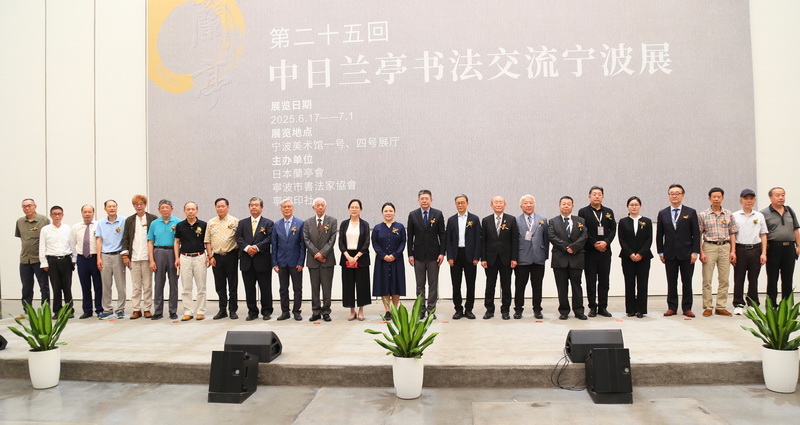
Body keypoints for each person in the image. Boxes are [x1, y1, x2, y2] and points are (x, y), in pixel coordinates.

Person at [656, 184, 701, 317]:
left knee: (687, 282)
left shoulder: (690, 212)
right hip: (669, 254)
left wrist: (695, 252)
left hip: (687, 254)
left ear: (682, 195)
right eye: (672, 193)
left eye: (677, 193)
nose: (674, 196)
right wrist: (661, 252)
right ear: (669, 196)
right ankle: (672, 307)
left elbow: (696, 234)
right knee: (671, 281)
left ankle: (687, 307)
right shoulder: (663, 213)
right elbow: (659, 235)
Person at [698, 187, 738, 317]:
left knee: (724, 279)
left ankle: (721, 306)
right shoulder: (703, 215)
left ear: (722, 198)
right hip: (709, 247)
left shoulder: (728, 214)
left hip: (725, 247)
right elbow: (698, 234)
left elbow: (732, 233)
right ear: (709, 198)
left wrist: (733, 251)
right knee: (707, 279)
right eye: (714, 197)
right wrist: (701, 252)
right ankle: (708, 306)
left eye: (719, 197)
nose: (716, 199)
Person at [406, 190, 446, 319]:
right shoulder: (413, 215)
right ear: (418, 200)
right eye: (422, 198)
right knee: (420, 285)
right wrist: (410, 254)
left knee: (433, 284)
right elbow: (410, 236)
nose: (424, 201)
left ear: (431, 200)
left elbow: (442, 235)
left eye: (426, 198)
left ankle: (431, 310)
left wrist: (442, 253)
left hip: (434, 255)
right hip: (418, 255)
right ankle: (421, 310)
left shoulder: (438, 214)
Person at [547, 196, 588, 320]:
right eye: (563, 204)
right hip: (560, 259)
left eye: (568, 204)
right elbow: (551, 236)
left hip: (576, 258)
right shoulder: (553, 221)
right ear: (559, 206)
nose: (566, 206)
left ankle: (579, 311)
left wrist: (574, 247)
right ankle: (564, 311)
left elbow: (584, 236)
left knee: (577, 286)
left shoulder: (580, 220)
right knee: (562, 287)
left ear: (572, 206)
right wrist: (566, 247)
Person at [578, 186, 616, 317]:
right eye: (594, 194)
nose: (597, 196)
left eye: (599, 194)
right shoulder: (583, 212)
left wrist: (606, 242)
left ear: (603, 197)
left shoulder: (608, 212)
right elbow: (583, 230)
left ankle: (603, 307)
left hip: (605, 251)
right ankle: (592, 307)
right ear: (589, 196)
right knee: (591, 280)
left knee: (604, 280)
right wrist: (594, 243)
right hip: (590, 251)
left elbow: (613, 229)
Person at [235, 197, 274, 321]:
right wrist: (247, 248)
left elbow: (269, 239)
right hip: (247, 261)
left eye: (257, 205)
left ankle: (266, 311)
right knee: (249, 288)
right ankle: (252, 312)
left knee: (265, 288)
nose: (254, 207)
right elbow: (238, 238)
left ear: (261, 207)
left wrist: (257, 247)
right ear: (249, 207)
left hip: (262, 260)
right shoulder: (242, 223)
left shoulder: (268, 223)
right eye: (252, 205)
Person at [761, 187, 800, 306]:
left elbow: (795, 229)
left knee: (788, 278)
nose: (781, 197)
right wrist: (763, 252)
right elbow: (762, 234)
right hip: (773, 248)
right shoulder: (764, 213)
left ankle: (787, 305)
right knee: (772, 278)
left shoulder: (790, 211)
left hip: (789, 248)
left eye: (783, 195)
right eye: (777, 195)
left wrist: (798, 245)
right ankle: (771, 305)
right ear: (770, 197)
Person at [481, 196, 519, 320]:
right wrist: (483, 258)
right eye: (496, 202)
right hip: (490, 259)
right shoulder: (486, 220)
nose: (498, 204)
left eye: (501, 202)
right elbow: (483, 241)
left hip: (506, 259)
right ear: (491, 205)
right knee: (490, 285)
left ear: (505, 205)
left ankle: (505, 310)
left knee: (506, 285)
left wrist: (514, 258)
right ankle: (489, 310)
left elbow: (514, 240)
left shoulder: (511, 219)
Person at [121, 194, 158, 319]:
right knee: (136, 286)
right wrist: (125, 255)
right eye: (136, 204)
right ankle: (136, 309)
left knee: (147, 285)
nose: (139, 206)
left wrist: (153, 258)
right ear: (133, 206)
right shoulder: (129, 220)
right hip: (134, 257)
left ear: (145, 205)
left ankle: (147, 309)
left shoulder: (153, 219)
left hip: (148, 257)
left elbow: (155, 238)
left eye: (141, 204)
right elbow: (125, 238)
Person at [731, 189, 768, 314]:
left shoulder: (759, 216)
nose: (748, 201)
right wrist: (733, 251)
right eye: (746, 198)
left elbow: (763, 234)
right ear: (741, 200)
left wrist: (763, 253)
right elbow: (732, 235)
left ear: (754, 200)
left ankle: (753, 303)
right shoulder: (734, 215)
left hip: (755, 249)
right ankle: (738, 304)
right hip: (740, 249)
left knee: (753, 278)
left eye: (751, 198)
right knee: (739, 278)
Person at [445, 194, 481, 320]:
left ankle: (469, 309)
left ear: (467, 203)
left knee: (471, 284)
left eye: (462, 202)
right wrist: (449, 256)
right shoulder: (451, 220)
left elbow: (478, 239)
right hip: (455, 255)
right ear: (455, 205)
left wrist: (476, 256)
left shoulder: (474, 219)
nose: (460, 205)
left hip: (470, 256)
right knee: (456, 284)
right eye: (458, 203)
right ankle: (458, 309)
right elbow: (448, 240)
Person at [514, 195, 549, 320]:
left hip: (538, 258)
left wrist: (545, 255)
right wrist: (514, 257)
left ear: (534, 205)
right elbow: (514, 240)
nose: (528, 205)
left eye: (531, 203)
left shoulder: (542, 219)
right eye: (525, 203)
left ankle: (537, 309)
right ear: (521, 206)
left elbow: (546, 239)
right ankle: (518, 309)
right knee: (520, 286)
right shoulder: (516, 220)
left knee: (537, 286)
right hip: (522, 258)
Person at [617, 196, 653, 318]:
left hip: (644, 257)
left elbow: (649, 239)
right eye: (631, 205)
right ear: (627, 206)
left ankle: (641, 309)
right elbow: (621, 239)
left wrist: (641, 253)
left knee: (642, 283)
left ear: (640, 206)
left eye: (636, 204)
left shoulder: (647, 221)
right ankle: (630, 309)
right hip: (627, 257)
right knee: (629, 283)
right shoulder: (623, 222)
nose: (634, 207)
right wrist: (631, 254)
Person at [303, 198, 338, 322]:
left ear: (325, 207)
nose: (320, 207)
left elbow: (332, 239)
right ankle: (316, 311)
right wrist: (316, 253)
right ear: (313, 208)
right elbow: (306, 239)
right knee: (315, 287)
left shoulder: (332, 221)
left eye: (322, 205)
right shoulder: (307, 222)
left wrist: (322, 253)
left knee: (327, 288)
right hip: (313, 260)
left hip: (327, 260)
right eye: (317, 205)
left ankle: (326, 311)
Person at [205, 198, 239, 320]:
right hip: (216, 257)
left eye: (223, 206)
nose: (220, 208)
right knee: (220, 285)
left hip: (231, 256)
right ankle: (222, 309)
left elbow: (239, 239)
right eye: (218, 206)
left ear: (228, 207)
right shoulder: (211, 222)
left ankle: (233, 310)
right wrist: (210, 256)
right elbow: (207, 241)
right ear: (215, 208)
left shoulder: (235, 221)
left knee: (232, 285)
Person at [272, 199, 306, 321]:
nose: (287, 209)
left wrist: (301, 262)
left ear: (292, 208)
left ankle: (297, 311)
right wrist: (274, 263)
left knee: (297, 288)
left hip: (295, 262)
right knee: (283, 289)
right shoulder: (276, 225)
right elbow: (274, 245)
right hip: (281, 262)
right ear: (281, 209)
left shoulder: (300, 223)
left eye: (289, 206)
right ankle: (285, 312)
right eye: (284, 207)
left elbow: (303, 245)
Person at [147, 199, 181, 320]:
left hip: (173, 252)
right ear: (158, 210)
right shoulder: (154, 223)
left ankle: (173, 311)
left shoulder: (178, 222)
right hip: (158, 252)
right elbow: (150, 241)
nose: (165, 210)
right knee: (158, 283)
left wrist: (178, 257)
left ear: (172, 209)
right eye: (162, 208)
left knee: (173, 283)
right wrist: (151, 260)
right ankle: (158, 311)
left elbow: (180, 241)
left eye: (167, 207)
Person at [15, 198, 50, 315]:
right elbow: (22, 238)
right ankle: (27, 311)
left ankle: (45, 310)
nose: (27, 208)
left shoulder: (44, 220)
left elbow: (48, 239)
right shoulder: (20, 221)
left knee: (44, 286)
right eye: (24, 206)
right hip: (25, 260)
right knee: (26, 286)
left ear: (35, 206)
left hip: (39, 260)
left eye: (29, 205)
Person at [39, 205, 75, 318]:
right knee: (56, 287)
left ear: (62, 215)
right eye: (54, 214)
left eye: (59, 214)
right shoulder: (45, 229)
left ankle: (69, 310)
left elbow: (72, 244)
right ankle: (57, 311)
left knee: (67, 286)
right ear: (51, 215)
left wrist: (74, 259)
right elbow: (42, 247)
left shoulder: (67, 228)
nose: (57, 216)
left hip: (66, 260)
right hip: (52, 261)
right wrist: (44, 262)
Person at [174, 201, 208, 321]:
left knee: (201, 286)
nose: (190, 211)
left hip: (200, 257)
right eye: (188, 209)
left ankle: (200, 311)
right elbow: (177, 242)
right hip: (185, 258)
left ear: (197, 211)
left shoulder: (203, 225)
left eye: (193, 209)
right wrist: (177, 258)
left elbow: (208, 241)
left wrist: (209, 256)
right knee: (186, 287)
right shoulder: (180, 225)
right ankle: (188, 311)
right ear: (184, 211)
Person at [373, 202, 407, 320]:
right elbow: (375, 243)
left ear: (394, 212)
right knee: (384, 285)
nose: (388, 213)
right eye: (386, 211)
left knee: (396, 284)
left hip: (396, 260)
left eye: (390, 211)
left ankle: (394, 310)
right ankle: (388, 311)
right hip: (382, 261)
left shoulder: (400, 227)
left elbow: (403, 242)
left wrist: (395, 255)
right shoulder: (377, 228)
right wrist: (383, 255)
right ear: (382, 213)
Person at [339, 199, 371, 321]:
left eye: (356, 207)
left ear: (360, 209)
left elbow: (366, 242)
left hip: (361, 257)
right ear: (349, 209)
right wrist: (348, 256)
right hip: (347, 256)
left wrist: (356, 257)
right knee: (348, 285)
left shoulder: (365, 224)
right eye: (352, 207)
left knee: (362, 285)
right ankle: (352, 311)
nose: (354, 209)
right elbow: (341, 242)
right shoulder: (344, 224)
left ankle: (361, 310)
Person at [95, 200, 127, 319]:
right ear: (105, 209)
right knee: (106, 285)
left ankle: (120, 309)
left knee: (121, 285)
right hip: (105, 256)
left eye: (114, 206)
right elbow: (99, 240)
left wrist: (125, 255)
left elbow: (126, 238)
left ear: (117, 207)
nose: (112, 208)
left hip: (118, 255)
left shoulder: (123, 221)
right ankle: (107, 309)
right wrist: (99, 257)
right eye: (109, 206)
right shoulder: (101, 223)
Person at [69, 204, 102, 319]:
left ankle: (99, 309)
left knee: (98, 285)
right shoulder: (76, 227)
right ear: (82, 213)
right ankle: (87, 310)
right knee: (85, 286)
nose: (87, 214)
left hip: (95, 258)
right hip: (82, 259)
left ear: (93, 213)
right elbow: (72, 244)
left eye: (90, 212)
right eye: (85, 212)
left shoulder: (99, 225)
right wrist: (74, 260)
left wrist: (100, 258)